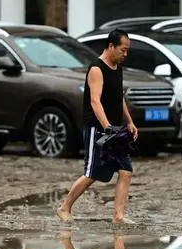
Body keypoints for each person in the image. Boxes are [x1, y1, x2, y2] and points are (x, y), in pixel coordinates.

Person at [56, 29, 139, 225]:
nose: (125, 54)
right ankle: (64, 207)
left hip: (115, 130)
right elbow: (95, 101)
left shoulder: (117, 67)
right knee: (92, 173)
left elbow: (119, 98)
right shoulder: (96, 69)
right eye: (123, 50)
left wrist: (129, 122)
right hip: (98, 129)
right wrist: (106, 126)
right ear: (111, 46)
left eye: (127, 51)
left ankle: (118, 216)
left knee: (126, 171)